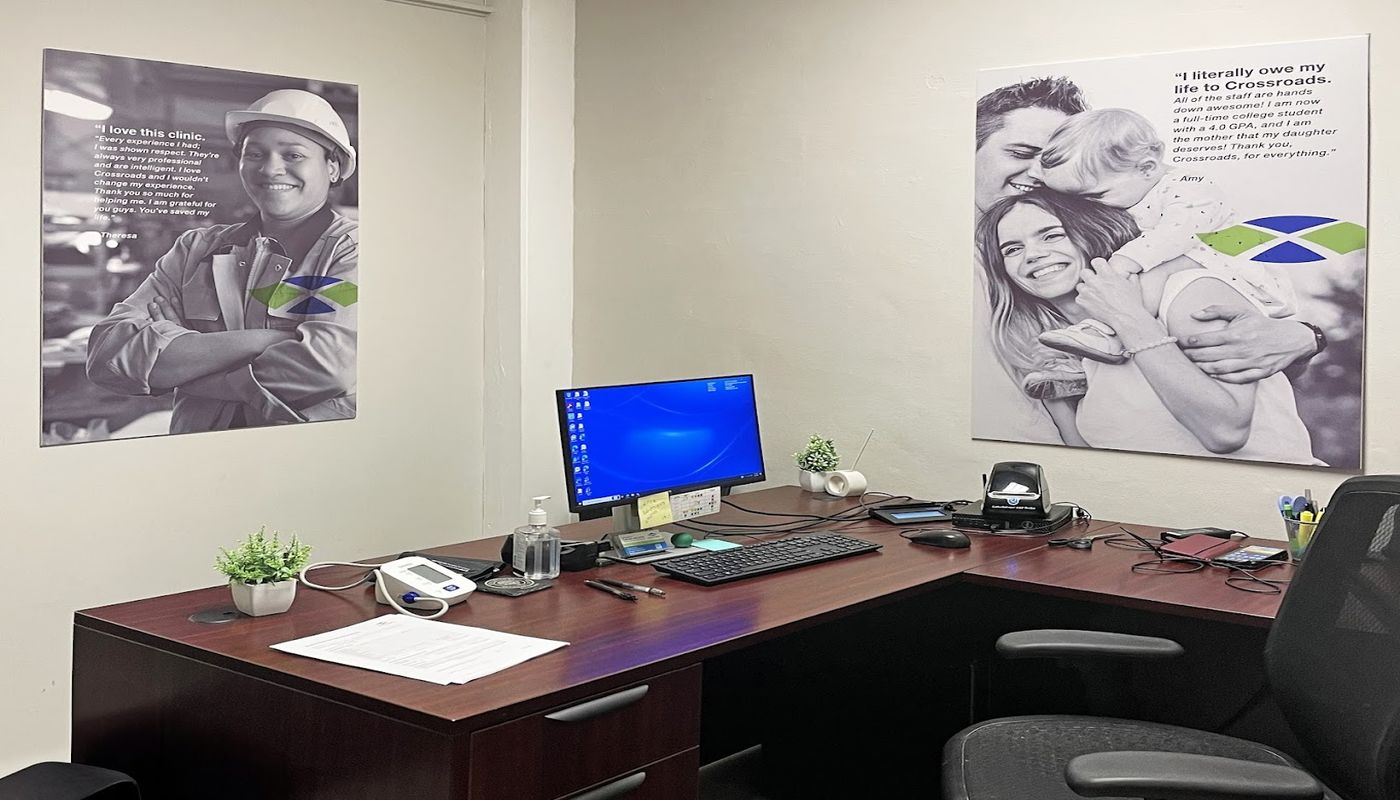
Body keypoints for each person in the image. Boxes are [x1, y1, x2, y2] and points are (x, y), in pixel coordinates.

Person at [971, 78, 1324, 426]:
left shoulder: (1114, 236)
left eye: (1055, 159)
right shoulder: (978, 265)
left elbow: (1239, 369)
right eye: (1021, 153)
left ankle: (1101, 336)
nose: (1039, 174)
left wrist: (1304, 337)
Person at [976, 189, 1319, 464]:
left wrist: (1126, 316)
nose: (1032, 255)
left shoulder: (1189, 290)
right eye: (1012, 249)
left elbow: (1225, 431)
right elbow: (1089, 465)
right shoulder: (1059, 351)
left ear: (1091, 232)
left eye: (1052, 235)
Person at [86, 89, 358, 434]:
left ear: (332, 167)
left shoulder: (350, 251)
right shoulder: (195, 249)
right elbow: (107, 354)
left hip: (302, 452)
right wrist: (264, 340)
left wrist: (187, 369)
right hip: (197, 448)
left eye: (293, 155)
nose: (271, 168)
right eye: (254, 154)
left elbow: (327, 369)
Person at [1026, 108, 1295, 367]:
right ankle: (1092, 349)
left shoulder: (1190, 187)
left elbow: (1175, 235)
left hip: (1232, 269)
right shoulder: (1130, 185)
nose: (1090, 205)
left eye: (1095, 196)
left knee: (1153, 271)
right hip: (1189, 275)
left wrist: (1126, 260)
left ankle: (1108, 332)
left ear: (1147, 168)